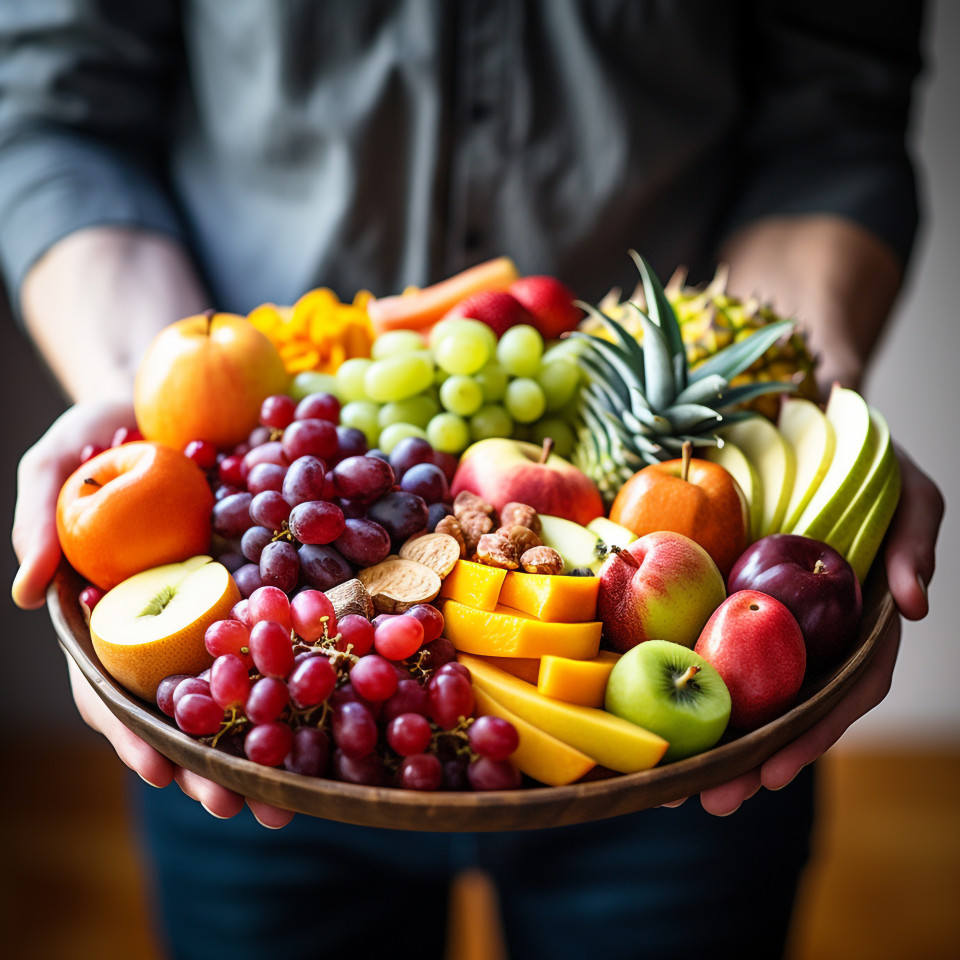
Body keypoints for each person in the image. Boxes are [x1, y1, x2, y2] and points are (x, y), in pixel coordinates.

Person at [4, 3, 944, 959]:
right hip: (265, 704)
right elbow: (58, 112)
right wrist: (147, 395)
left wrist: (816, 406)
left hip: (681, 755)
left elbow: (831, 127)